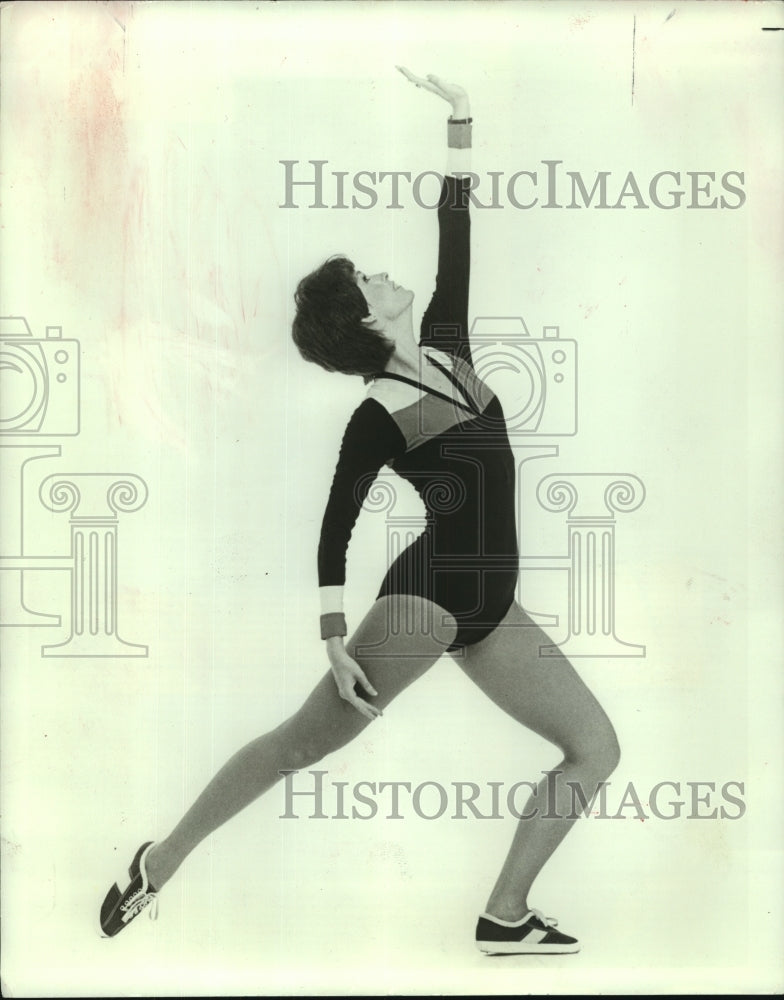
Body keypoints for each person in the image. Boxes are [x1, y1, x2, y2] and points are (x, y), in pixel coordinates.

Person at [100, 68, 620, 955]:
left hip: (494, 606)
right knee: (303, 744)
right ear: (367, 321)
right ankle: (160, 861)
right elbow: (335, 524)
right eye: (371, 280)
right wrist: (335, 642)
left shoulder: (448, 347)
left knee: (596, 751)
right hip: (425, 600)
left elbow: (457, 235)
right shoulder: (378, 415)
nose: (387, 274)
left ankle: (504, 915)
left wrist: (462, 115)